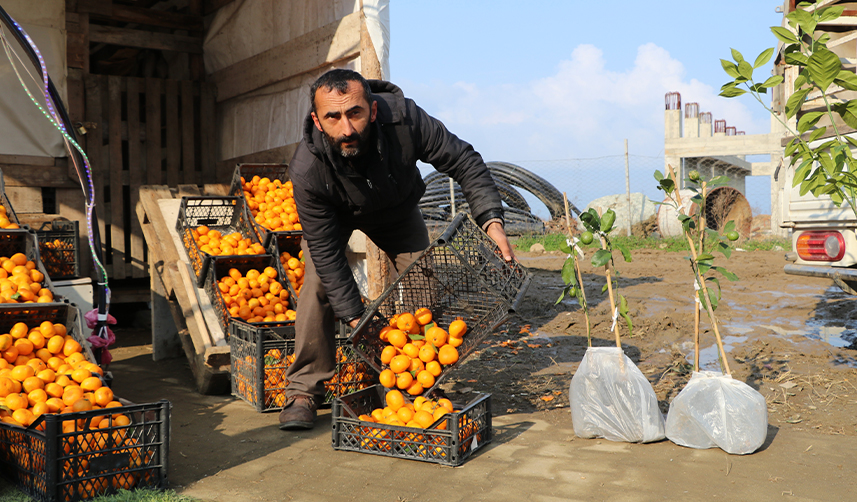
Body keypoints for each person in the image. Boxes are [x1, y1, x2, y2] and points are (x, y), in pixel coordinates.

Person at [278, 69, 515, 430]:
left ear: (372, 110)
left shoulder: (406, 120)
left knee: (424, 278)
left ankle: (415, 376)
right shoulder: (308, 169)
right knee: (317, 284)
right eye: (333, 117)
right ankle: (303, 389)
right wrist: (359, 319)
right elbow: (326, 254)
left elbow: (464, 160)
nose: (347, 129)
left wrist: (492, 223)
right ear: (317, 120)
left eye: (354, 113)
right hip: (336, 217)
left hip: (396, 208)